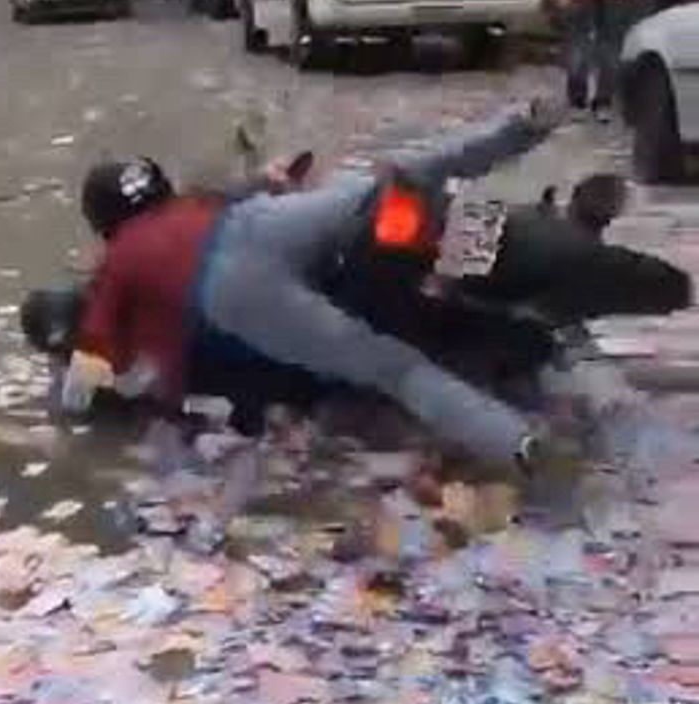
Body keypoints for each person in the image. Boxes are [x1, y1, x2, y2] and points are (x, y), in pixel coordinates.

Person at [61, 111, 554, 471]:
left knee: (394, 367)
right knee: (392, 179)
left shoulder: (119, 259)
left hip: (235, 291)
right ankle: (523, 125)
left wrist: (70, 411)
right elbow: (257, 187)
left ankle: (514, 442)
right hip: (263, 224)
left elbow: (95, 354)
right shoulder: (195, 200)